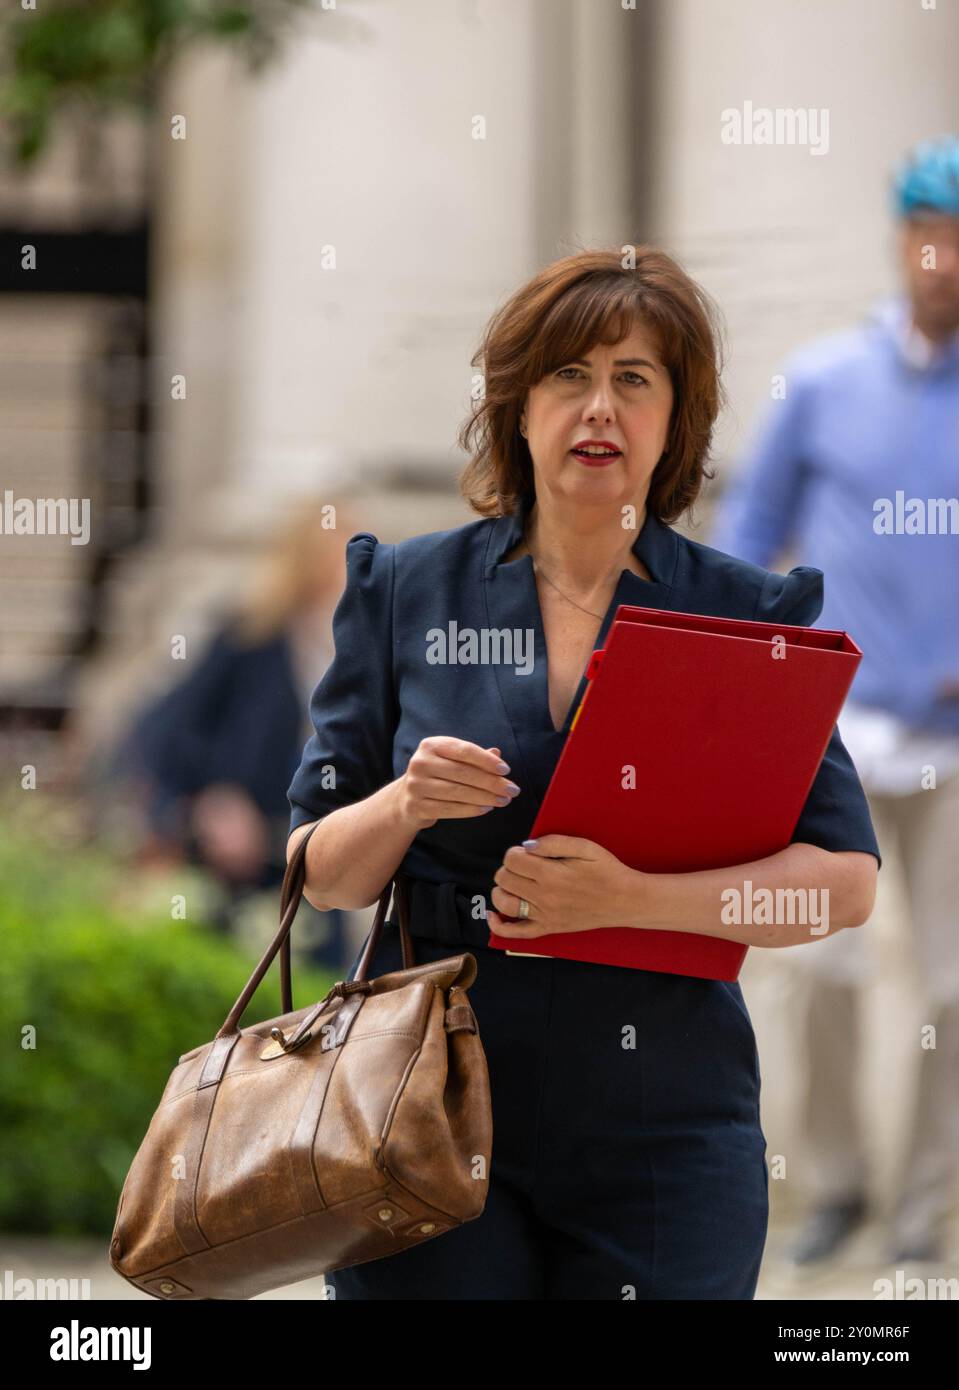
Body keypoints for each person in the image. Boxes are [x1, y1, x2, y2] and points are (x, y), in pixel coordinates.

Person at [286, 247, 880, 1300]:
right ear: (517, 407)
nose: (597, 406)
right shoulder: (404, 589)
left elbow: (839, 881)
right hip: (425, 1110)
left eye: (632, 378)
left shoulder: (745, 615)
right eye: (568, 375)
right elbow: (320, 874)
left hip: (666, 1134)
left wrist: (634, 900)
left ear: (672, 419)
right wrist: (405, 800)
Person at [710, 136, 959, 1265]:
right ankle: (832, 1185)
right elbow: (748, 542)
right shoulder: (821, 382)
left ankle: (923, 1212)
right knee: (818, 968)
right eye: (927, 235)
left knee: (951, 990)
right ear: (898, 239)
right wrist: (768, 667)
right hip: (839, 732)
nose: (941, 260)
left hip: (953, 743)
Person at [113, 498, 356, 973]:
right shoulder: (252, 637)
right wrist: (211, 800)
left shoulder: (353, 654)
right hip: (242, 869)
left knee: (322, 1001)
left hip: (316, 865)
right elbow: (163, 728)